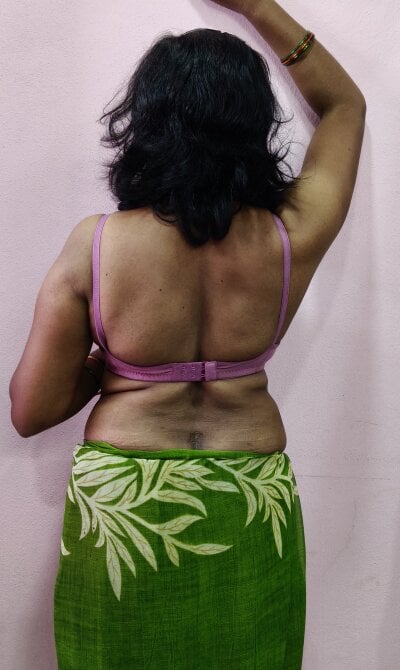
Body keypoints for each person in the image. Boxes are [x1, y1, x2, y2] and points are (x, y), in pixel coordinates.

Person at [9, 0, 366, 668]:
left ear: (145, 122)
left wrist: (114, 360)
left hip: (123, 508)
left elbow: (31, 409)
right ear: (256, 126)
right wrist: (255, 6)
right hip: (250, 495)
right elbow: (345, 105)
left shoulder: (96, 245)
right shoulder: (292, 235)